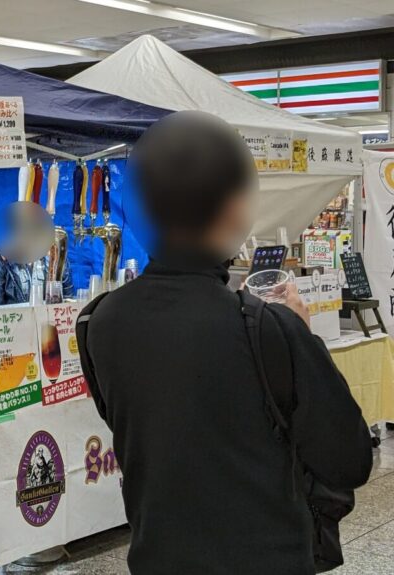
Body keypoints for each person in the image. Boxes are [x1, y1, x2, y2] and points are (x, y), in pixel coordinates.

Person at [76, 111, 372, 574]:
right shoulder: (267, 326)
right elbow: (349, 460)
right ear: (234, 207)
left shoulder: (99, 321)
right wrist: (302, 334)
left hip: (157, 558)